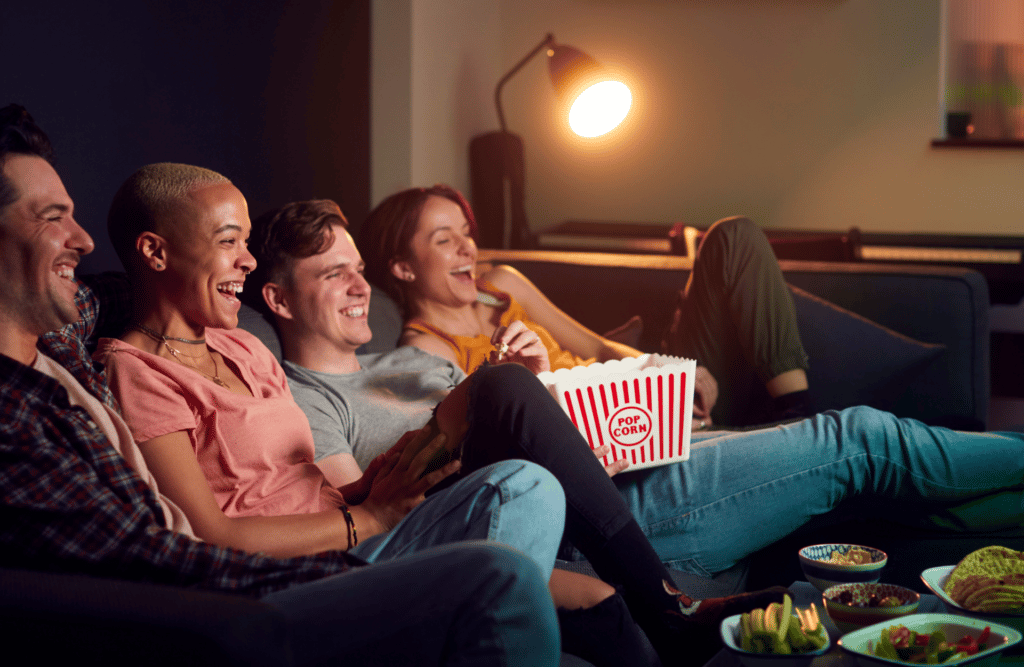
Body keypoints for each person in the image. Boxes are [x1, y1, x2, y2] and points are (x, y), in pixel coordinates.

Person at [101, 166, 788, 667]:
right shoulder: (135, 371)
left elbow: (307, 478)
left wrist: (376, 484)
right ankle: (667, 608)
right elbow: (206, 532)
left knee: (525, 454)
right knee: (514, 440)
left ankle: (661, 621)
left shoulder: (244, 345)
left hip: (356, 519)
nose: (246, 261)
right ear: (155, 250)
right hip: (314, 570)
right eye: (229, 240)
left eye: (248, 240)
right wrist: (362, 517)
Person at [0, 105, 565, 667]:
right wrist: (365, 532)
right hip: (233, 606)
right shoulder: (30, 408)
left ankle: (468, 649)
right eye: (52, 218)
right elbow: (170, 557)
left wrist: (378, 485)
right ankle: (453, 659)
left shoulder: (64, 341)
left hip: (330, 542)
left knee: (524, 485)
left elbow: (103, 288)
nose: (80, 240)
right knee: (497, 578)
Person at [257, 197, 1024, 590]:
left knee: (881, 481)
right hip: (609, 520)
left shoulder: (410, 363)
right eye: (335, 273)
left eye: (356, 267)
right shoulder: (304, 397)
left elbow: (542, 411)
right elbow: (356, 523)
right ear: (280, 301)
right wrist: (482, 413)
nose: (358, 285)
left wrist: (520, 377)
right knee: (858, 438)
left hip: (631, 461)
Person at [359, 185, 812, 429]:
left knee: (733, 237)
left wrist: (669, 371)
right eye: (444, 240)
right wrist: (649, 412)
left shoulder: (500, 285)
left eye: (465, 232)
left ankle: (797, 411)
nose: (467, 248)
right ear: (402, 268)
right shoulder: (427, 352)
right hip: (617, 431)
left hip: (659, 395)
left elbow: (597, 348)